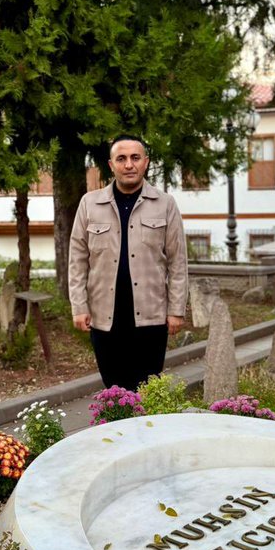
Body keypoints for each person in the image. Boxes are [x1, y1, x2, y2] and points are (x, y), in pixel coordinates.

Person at [68, 135, 187, 393]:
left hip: (151, 316)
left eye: (135, 158)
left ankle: (145, 421)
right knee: (114, 390)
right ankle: (117, 421)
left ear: (146, 162)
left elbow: (178, 262)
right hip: (104, 316)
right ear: (111, 165)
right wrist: (79, 306)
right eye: (121, 159)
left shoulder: (165, 204)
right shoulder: (89, 204)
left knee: (147, 389)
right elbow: (77, 261)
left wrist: (176, 310)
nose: (129, 164)